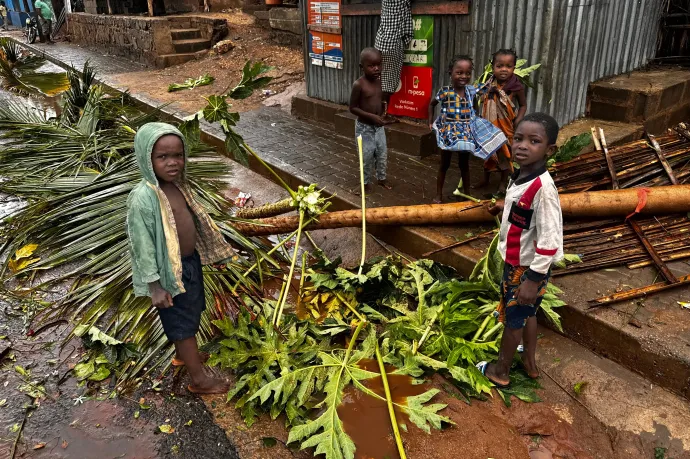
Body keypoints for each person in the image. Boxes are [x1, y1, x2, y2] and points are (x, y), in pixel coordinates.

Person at [127, 123, 235, 394]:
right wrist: (155, 286)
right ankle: (199, 380)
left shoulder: (178, 186)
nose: (173, 163)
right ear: (146, 159)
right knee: (182, 323)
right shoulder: (143, 198)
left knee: (192, 312)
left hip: (188, 264)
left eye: (178, 155)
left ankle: (184, 357)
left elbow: (196, 222)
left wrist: (214, 254)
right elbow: (142, 247)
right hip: (167, 274)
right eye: (162, 157)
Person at [477, 112, 564, 388]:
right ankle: (529, 363)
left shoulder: (543, 189)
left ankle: (500, 370)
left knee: (513, 320)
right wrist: (504, 207)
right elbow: (526, 214)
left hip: (526, 270)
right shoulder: (522, 175)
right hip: (519, 265)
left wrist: (533, 279)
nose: (523, 146)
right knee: (527, 314)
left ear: (549, 150)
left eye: (534, 141)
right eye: (519, 139)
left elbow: (550, 240)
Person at [429, 55, 507, 203]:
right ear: (450, 72)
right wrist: (430, 121)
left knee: (464, 164)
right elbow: (432, 104)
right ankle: (438, 195)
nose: (464, 76)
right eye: (459, 72)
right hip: (449, 133)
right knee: (444, 164)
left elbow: (480, 98)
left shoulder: (471, 91)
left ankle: (466, 193)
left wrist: (475, 121)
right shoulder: (445, 91)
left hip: (465, 134)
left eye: (468, 73)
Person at [472, 49, 528, 195]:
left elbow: (523, 105)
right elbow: (479, 99)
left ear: (514, 68)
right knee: (488, 152)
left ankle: (502, 183)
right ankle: (486, 179)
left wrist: (519, 120)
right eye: (499, 66)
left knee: (505, 153)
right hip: (488, 126)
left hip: (506, 126)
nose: (504, 69)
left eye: (508, 66)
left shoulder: (516, 86)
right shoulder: (488, 84)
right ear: (493, 67)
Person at [349, 48, 395, 193]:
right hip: (364, 128)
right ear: (362, 67)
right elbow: (352, 108)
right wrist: (372, 117)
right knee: (366, 157)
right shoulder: (359, 85)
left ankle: (382, 179)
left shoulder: (379, 82)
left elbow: (381, 100)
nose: (376, 69)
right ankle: (365, 183)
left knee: (382, 154)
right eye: (371, 66)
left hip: (378, 128)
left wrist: (384, 115)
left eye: (378, 65)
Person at [374, 0, 412, 109]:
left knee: (380, 81)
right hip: (393, 44)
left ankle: (377, 112)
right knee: (389, 84)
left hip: (379, 43)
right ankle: (382, 115)